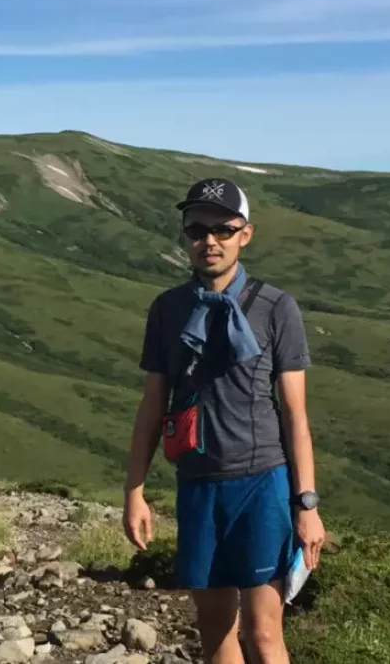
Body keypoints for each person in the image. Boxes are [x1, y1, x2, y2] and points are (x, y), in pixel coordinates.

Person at [122, 178, 326, 664]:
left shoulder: (277, 308)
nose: (208, 240)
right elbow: (153, 404)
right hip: (197, 484)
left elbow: (295, 414)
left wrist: (308, 504)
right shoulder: (168, 309)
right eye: (196, 229)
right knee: (213, 631)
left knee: (263, 634)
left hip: (262, 482)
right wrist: (134, 490)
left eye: (223, 229)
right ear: (185, 236)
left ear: (245, 234)